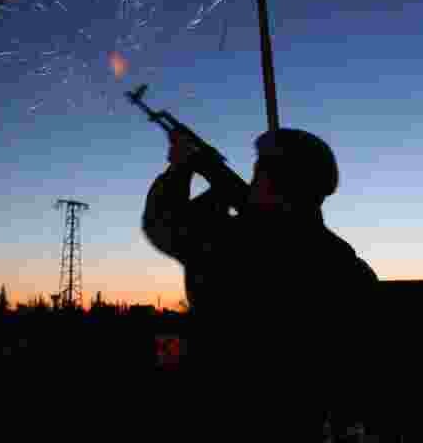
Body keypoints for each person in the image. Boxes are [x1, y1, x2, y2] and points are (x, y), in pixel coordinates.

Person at [142, 126, 382, 439]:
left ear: (269, 182)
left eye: (258, 173)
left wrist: (181, 168)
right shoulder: (345, 263)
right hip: (303, 423)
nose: (253, 179)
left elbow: (162, 223)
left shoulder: (232, 246)